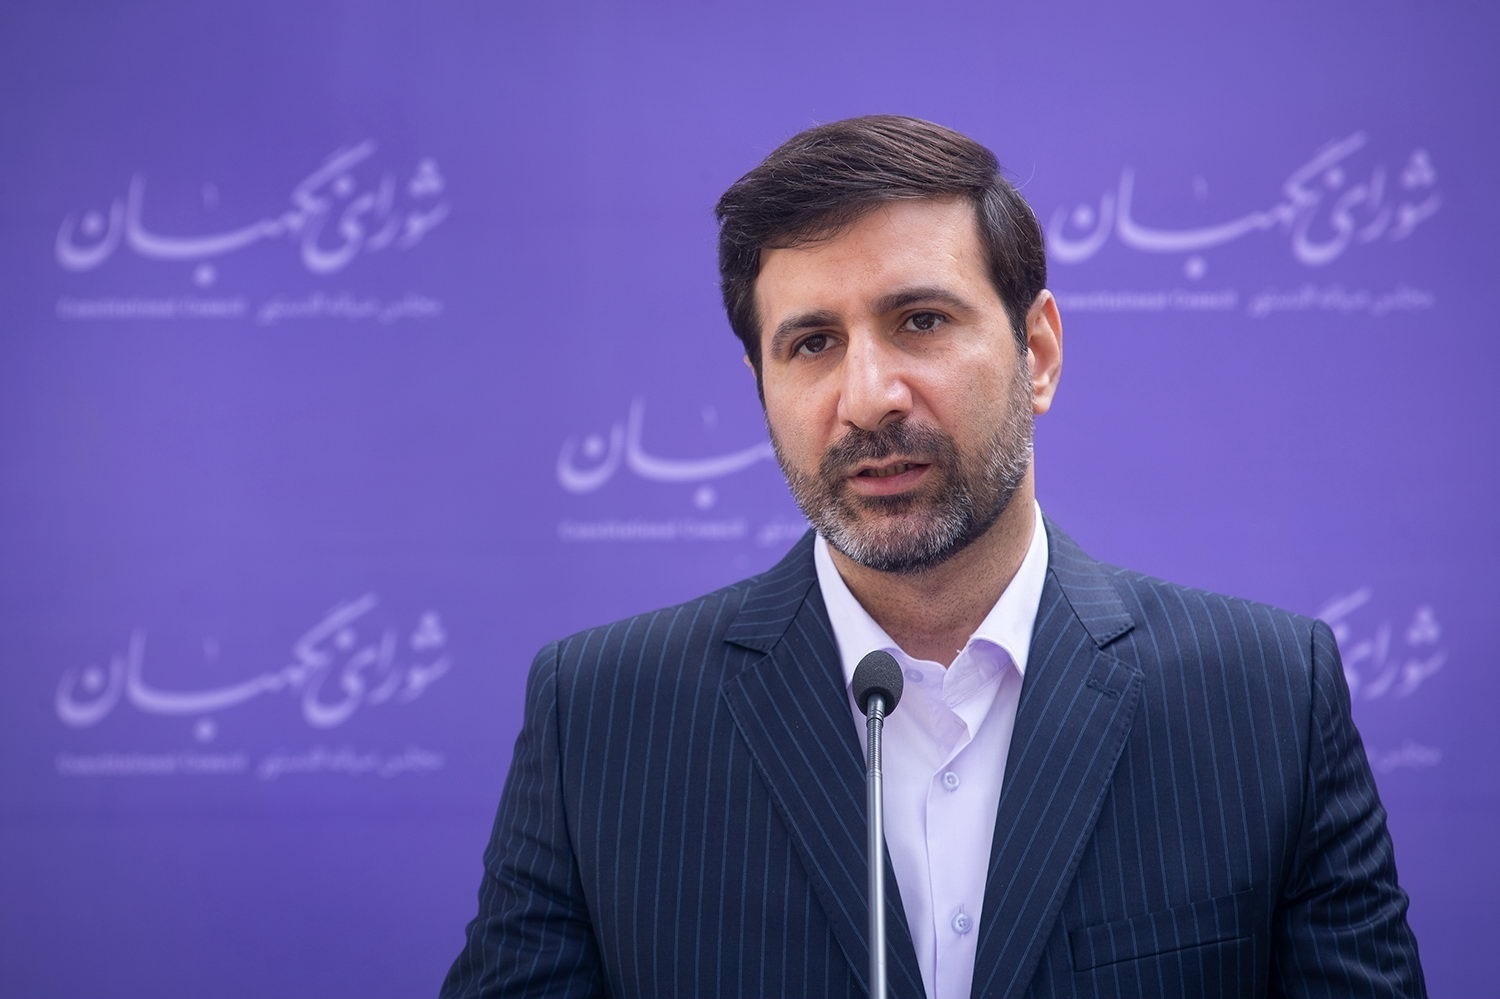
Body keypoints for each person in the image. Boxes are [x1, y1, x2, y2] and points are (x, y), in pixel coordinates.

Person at [440, 115, 1426, 999]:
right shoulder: (600, 719)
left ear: (1038, 352)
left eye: (921, 321)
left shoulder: (1266, 699)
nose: (868, 397)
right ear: (762, 387)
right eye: (812, 343)